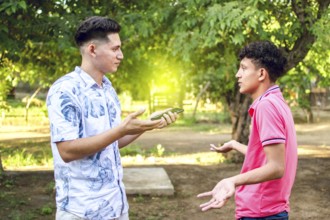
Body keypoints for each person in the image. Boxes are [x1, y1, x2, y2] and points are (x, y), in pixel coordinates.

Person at [46, 16, 178, 220]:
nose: (121, 55)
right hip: (81, 211)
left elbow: (111, 143)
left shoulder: (107, 89)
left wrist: (147, 125)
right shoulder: (64, 91)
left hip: (116, 206)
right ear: (92, 50)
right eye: (115, 49)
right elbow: (67, 151)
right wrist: (121, 129)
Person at [197, 41, 298, 220]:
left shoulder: (266, 106)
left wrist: (232, 180)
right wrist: (236, 145)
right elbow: (271, 157)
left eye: (243, 68)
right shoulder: (277, 101)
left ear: (261, 73)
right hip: (270, 209)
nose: (238, 74)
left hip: (261, 212)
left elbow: (277, 167)